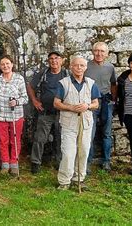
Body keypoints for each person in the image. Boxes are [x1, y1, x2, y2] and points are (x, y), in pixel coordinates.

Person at [54, 56, 100, 190]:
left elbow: (96, 103)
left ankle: (78, 178)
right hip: (69, 123)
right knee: (68, 152)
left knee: (83, 151)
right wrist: (71, 108)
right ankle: (64, 181)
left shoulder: (91, 83)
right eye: (76, 65)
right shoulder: (64, 83)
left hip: (85, 123)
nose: (79, 68)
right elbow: (56, 103)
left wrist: (88, 106)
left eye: (82, 66)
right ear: (71, 67)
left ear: (86, 68)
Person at [28, 51, 69, 174]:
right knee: (40, 138)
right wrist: (35, 101)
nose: (54, 61)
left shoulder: (67, 74)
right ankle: (35, 162)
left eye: (56, 58)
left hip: (62, 112)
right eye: (51, 58)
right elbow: (30, 86)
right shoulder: (43, 74)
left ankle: (59, 162)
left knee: (60, 138)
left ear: (62, 60)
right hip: (45, 112)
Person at [0, 55, 28, 176]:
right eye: (2, 64)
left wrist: (16, 102)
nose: (5, 66)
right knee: (3, 140)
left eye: (7, 63)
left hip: (15, 115)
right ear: (0, 67)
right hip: (0, 115)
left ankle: (14, 163)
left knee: (15, 139)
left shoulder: (19, 79)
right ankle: (5, 163)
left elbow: (25, 98)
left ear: (12, 64)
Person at [85, 42, 117, 171]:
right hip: (91, 102)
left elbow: (113, 83)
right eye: (96, 51)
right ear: (92, 52)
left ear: (107, 54)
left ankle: (106, 161)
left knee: (107, 132)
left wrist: (113, 100)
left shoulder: (110, 67)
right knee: (89, 133)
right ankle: (87, 161)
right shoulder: (86, 66)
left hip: (105, 101)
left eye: (102, 51)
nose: (99, 54)